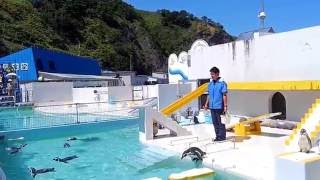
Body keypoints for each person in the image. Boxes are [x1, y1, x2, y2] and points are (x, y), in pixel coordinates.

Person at [204, 67, 228, 141]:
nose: (211, 76)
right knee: (214, 123)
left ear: (217, 74)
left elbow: (224, 95)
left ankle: (222, 137)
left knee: (220, 123)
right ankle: (217, 136)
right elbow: (209, 95)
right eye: (211, 74)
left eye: (213, 74)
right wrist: (206, 104)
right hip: (212, 106)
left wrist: (225, 106)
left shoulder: (222, 83)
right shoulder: (210, 84)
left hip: (219, 106)